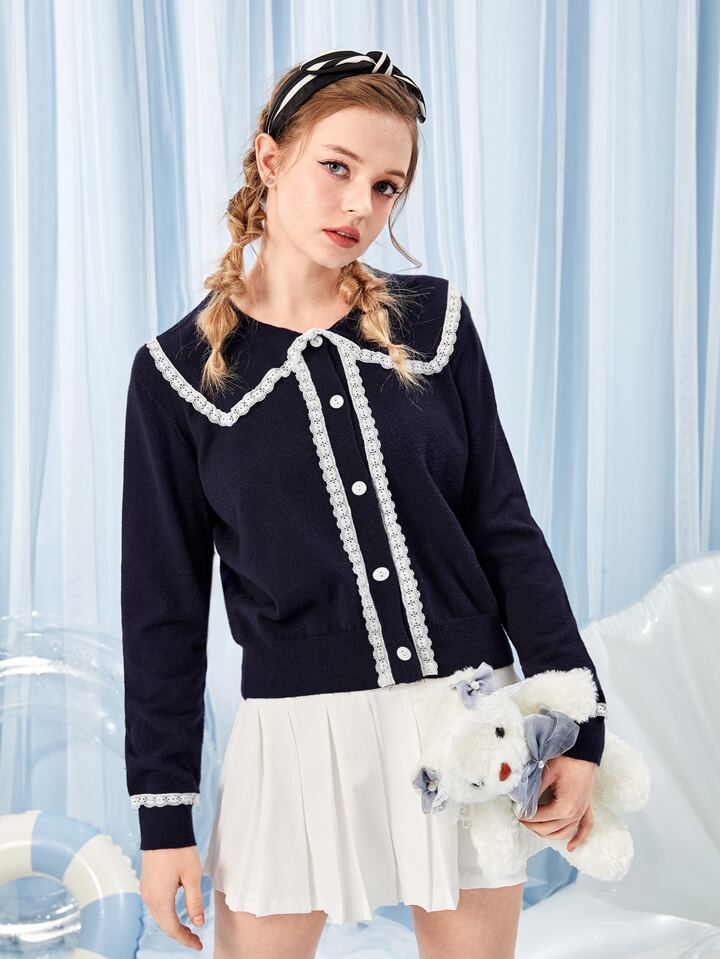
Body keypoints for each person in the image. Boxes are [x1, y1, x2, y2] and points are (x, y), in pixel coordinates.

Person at [120, 47, 608, 959]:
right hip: (293, 743)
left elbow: (505, 526)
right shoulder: (176, 376)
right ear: (270, 159)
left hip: (464, 720)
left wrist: (582, 724)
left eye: (387, 187)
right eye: (336, 167)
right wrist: (164, 821)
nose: (360, 206)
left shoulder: (436, 325)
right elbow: (162, 615)